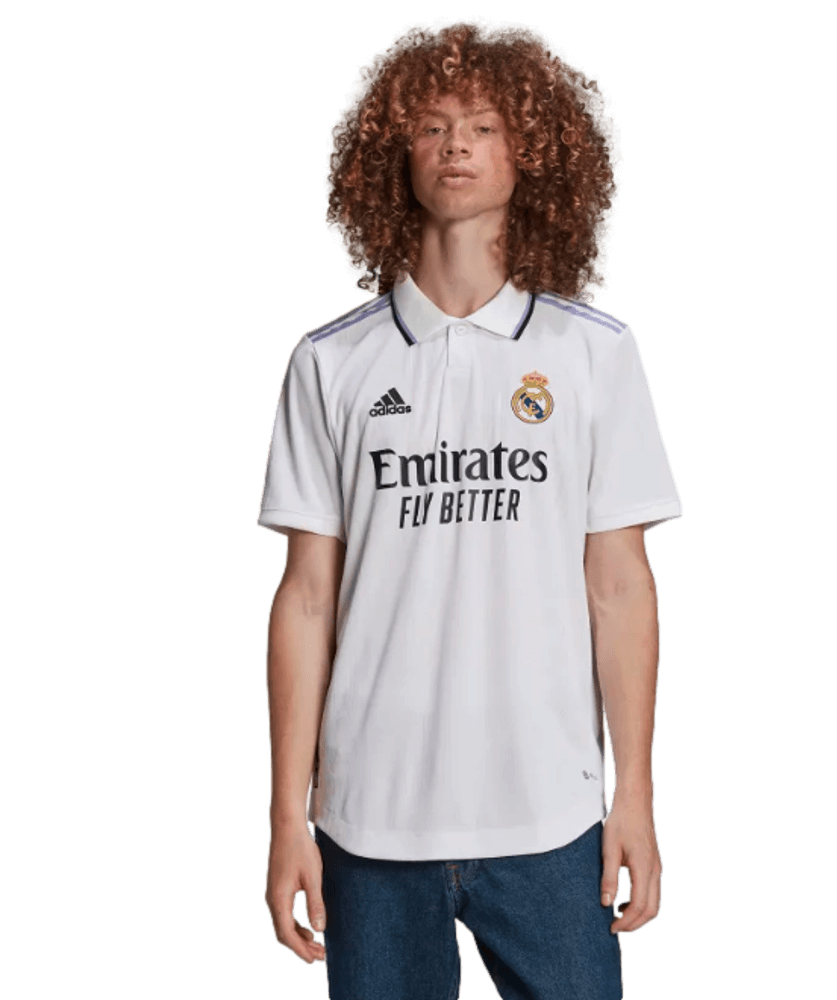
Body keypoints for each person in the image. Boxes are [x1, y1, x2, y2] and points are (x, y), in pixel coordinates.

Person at [260, 18, 682, 998]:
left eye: (485, 125)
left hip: (553, 816)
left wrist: (636, 795)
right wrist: (287, 817)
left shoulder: (596, 353)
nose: (457, 144)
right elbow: (305, 600)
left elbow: (621, 587)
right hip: (368, 822)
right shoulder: (330, 362)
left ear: (530, 154)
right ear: (391, 155)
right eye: (432, 125)